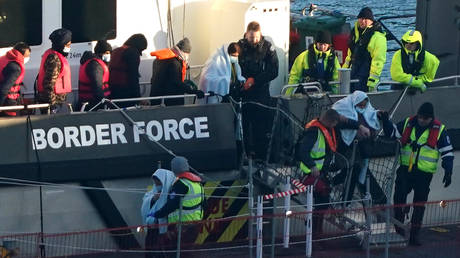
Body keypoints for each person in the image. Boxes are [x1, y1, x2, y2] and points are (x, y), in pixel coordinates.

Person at [381, 102, 453, 246]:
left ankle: (414, 236)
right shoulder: (408, 123)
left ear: (431, 118)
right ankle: (399, 230)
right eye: (420, 117)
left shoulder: (439, 130)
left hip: (423, 175)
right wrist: (385, 120)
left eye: (425, 119)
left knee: (419, 205)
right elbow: (391, 133)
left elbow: (447, 152)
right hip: (405, 170)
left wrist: (448, 171)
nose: (421, 120)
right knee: (398, 200)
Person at [331, 91, 387, 205]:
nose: (362, 108)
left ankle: (344, 200)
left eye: (364, 105)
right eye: (359, 105)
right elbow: (337, 120)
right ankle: (338, 194)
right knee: (348, 170)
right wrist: (358, 126)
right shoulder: (342, 106)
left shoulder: (367, 109)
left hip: (358, 151)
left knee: (353, 171)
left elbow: (370, 116)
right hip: (343, 148)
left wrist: (377, 115)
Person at [295, 109, 340, 237]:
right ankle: (315, 230)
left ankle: (316, 229)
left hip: (321, 172)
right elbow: (302, 151)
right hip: (310, 173)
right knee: (322, 199)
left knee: (323, 201)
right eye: (334, 124)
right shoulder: (314, 132)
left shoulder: (323, 129)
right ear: (331, 122)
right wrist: (312, 166)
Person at [238, 21, 279, 160]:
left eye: (256, 37)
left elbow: (274, 71)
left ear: (260, 34)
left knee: (261, 125)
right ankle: (247, 153)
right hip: (245, 92)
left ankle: (261, 155)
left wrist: (255, 80)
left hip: (261, 92)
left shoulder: (267, 47)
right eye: (251, 38)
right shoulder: (241, 46)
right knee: (245, 124)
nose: (253, 40)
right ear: (246, 34)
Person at [148, 156, 204, 255]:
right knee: (187, 251)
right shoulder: (197, 184)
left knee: (176, 253)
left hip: (181, 226)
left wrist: (156, 214)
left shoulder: (180, 184)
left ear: (174, 168)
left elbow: (172, 204)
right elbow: (204, 203)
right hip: (195, 224)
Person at [343, 7, 387, 92]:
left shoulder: (378, 37)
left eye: (365, 19)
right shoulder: (355, 34)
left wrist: (372, 81)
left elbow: (378, 61)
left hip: (366, 76)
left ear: (371, 21)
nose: (362, 21)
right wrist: (343, 74)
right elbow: (349, 57)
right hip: (353, 72)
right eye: (361, 18)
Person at [150, 38, 204, 106]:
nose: (187, 57)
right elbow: (177, 82)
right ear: (184, 52)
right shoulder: (174, 63)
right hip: (170, 101)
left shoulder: (158, 59)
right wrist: (194, 91)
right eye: (188, 54)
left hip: (156, 99)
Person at [287, 30, 341, 95]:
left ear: (329, 45)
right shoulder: (303, 56)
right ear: (316, 43)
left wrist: (337, 96)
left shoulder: (333, 59)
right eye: (320, 44)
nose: (322, 47)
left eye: (325, 45)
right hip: (306, 94)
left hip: (327, 95)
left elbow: (336, 80)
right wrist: (288, 95)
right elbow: (294, 77)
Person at [36, 28, 73, 113]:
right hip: (53, 101)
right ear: (61, 44)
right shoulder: (54, 59)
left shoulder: (53, 54)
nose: (69, 47)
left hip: (56, 100)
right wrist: (52, 105)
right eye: (68, 45)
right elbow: (49, 83)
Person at [141, 168, 175, 258]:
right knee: (151, 249)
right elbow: (146, 201)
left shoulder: (172, 194)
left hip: (167, 229)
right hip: (153, 228)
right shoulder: (152, 192)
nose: (157, 186)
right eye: (156, 183)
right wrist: (153, 199)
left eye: (159, 183)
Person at [109, 33, 147, 108]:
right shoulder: (133, 53)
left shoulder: (116, 51)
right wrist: (138, 98)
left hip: (113, 90)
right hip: (126, 92)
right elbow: (133, 76)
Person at [78, 40, 112, 110]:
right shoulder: (95, 65)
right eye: (107, 53)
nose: (109, 55)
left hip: (90, 102)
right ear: (101, 53)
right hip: (93, 104)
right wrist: (103, 103)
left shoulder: (92, 62)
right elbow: (97, 87)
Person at [0, 42, 31, 116]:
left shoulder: (5, 58)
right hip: (8, 100)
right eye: (27, 56)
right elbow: (4, 88)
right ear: (22, 55)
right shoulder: (16, 68)